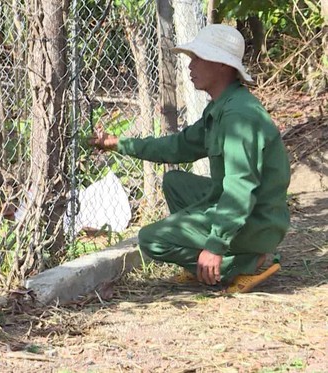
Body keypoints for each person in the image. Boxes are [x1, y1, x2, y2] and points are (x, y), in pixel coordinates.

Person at [89, 24, 290, 293]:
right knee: (175, 181)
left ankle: (249, 262)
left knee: (151, 240)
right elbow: (177, 147)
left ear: (222, 65)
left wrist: (215, 243)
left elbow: (241, 188)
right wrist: (118, 144)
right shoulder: (221, 108)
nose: (190, 65)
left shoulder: (238, 115)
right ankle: (215, 264)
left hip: (257, 221)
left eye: (198, 58)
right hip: (250, 212)